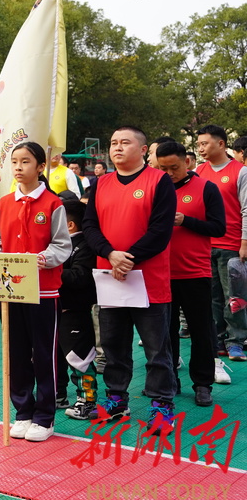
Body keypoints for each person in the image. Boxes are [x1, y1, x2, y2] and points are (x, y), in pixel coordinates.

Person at [83, 126, 178, 432]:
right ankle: (115, 400)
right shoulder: (100, 183)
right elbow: (90, 226)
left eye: (125, 142)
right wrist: (111, 254)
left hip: (148, 280)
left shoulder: (159, 181)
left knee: (156, 348)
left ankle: (162, 405)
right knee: (112, 345)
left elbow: (160, 231)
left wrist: (130, 258)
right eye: (113, 143)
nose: (117, 148)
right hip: (110, 277)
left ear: (143, 148)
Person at [0, 142, 72, 442]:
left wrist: (43, 258)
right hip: (9, 292)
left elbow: (63, 245)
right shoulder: (4, 203)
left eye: (26, 161)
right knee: (15, 352)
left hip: (44, 291)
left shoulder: (53, 204)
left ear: (40, 167)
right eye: (14, 161)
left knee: (44, 352)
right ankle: (23, 411)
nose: (19, 167)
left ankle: (45, 416)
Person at [155, 141, 224, 405]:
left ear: (188, 162)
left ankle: (203, 383)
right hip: (161, 273)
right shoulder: (155, 189)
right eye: (163, 168)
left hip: (195, 272)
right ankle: (170, 378)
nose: (169, 173)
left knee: (201, 330)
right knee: (165, 331)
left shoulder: (207, 188)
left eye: (174, 167)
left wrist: (186, 221)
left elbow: (218, 228)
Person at [194, 124, 247, 362]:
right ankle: (217, 339)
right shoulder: (198, 171)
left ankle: (236, 341)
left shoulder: (241, 171)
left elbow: (246, 209)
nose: (201, 149)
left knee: (234, 296)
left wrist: (244, 242)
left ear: (222, 144)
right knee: (212, 296)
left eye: (205, 143)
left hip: (232, 245)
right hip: (205, 244)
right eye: (198, 145)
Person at [58, 199, 101, 420]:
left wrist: (51, 272)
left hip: (77, 311)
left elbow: (80, 277)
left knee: (79, 359)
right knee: (61, 356)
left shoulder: (83, 246)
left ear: (71, 225)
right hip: (59, 310)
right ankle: (62, 395)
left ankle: (88, 401)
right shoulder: (59, 244)